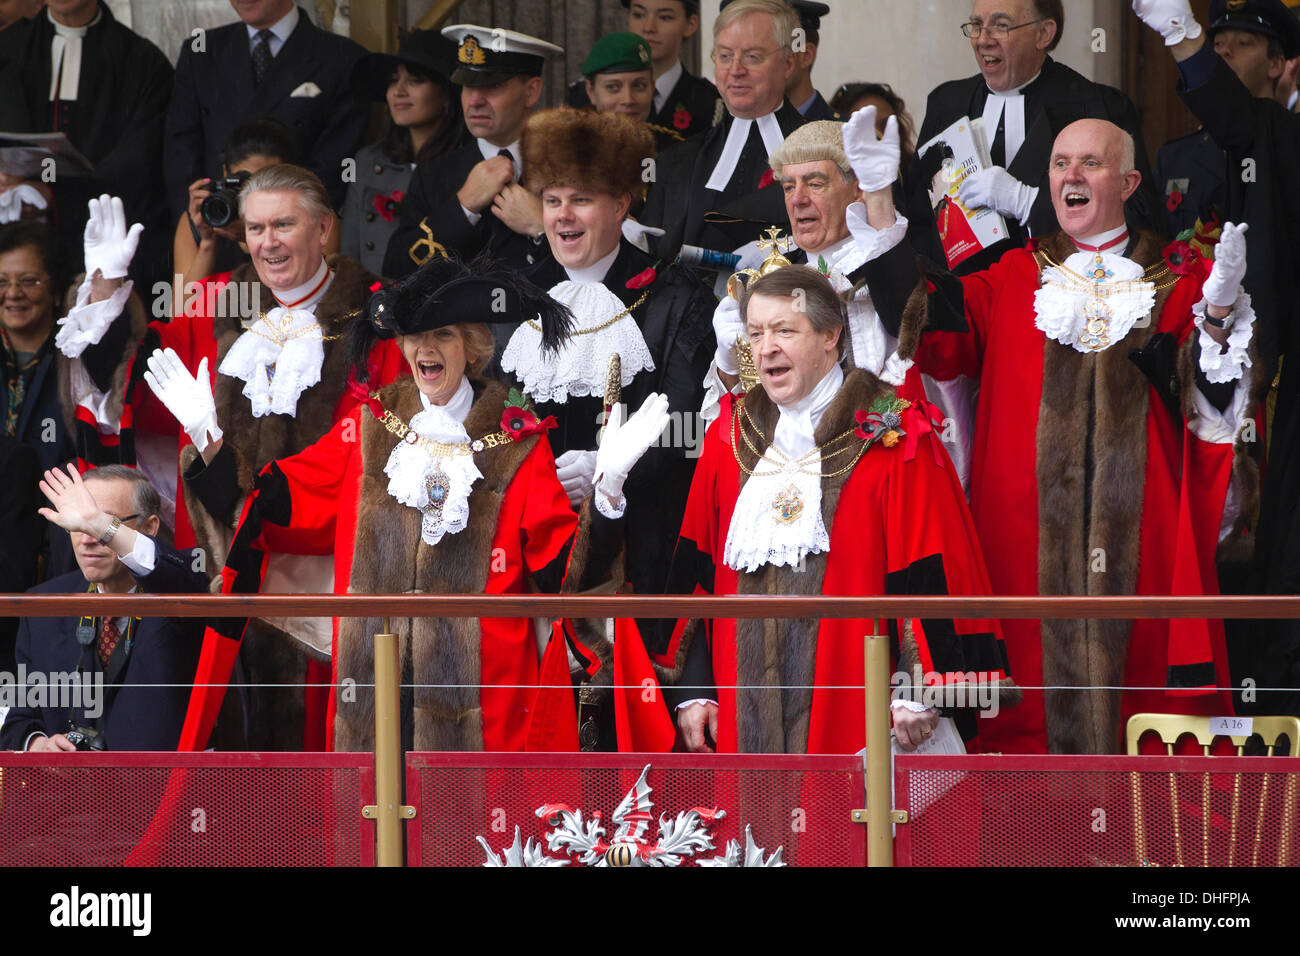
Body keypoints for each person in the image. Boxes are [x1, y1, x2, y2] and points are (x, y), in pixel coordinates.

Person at [862, 118, 1255, 753]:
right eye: (1059, 163)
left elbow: (1213, 410)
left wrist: (1215, 316)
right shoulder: (1014, 275)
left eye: (1089, 164)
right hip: (1019, 546)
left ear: (1127, 182)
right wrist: (882, 208)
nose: (1070, 176)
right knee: (1023, 734)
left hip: (1144, 544)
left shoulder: (1182, 278)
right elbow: (932, 338)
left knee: (1145, 713)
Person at [173, 253, 672, 754]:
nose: (425, 349)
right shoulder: (369, 427)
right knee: (372, 820)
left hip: (481, 702)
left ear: (471, 348)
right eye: (414, 336)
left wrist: (608, 491)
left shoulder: (517, 439)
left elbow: (563, 571)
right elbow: (275, 506)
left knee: (469, 830)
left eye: (443, 335)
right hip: (370, 686)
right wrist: (211, 444)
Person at [642, 262, 1011, 755]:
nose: (766, 347)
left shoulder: (894, 435)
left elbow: (933, 571)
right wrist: (695, 690)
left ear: (831, 336)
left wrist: (919, 689)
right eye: (755, 332)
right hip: (740, 711)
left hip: (862, 713)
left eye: (784, 330)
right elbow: (695, 570)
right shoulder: (726, 437)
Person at [119, 164, 406, 750]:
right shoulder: (216, 302)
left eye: (283, 225)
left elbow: (376, 444)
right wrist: (104, 296)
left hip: (324, 576)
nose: (267, 242)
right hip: (224, 569)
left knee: (324, 763)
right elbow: (139, 397)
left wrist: (246, 486)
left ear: (324, 229)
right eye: (254, 228)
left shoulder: (379, 316)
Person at [1134, 0, 1300, 718]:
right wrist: (1184, 38)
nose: (1230, 53)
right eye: (1222, 43)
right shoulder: (1272, 134)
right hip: (1249, 388)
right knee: (1238, 574)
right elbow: (1234, 115)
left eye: (1244, 43)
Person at [503, 107, 715, 609]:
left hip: (643, 547)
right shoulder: (514, 298)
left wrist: (611, 468)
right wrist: (528, 475)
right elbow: (491, 414)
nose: (562, 215)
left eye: (581, 200)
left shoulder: (676, 299)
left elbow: (690, 427)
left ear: (621, 204)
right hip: (532, 548)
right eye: (552, 201)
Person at [706, 114, 977, 489]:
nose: (798, 199)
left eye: (815, 183)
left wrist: (880, 205)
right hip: (793, 482)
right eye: (788, 187)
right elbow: (733, 425)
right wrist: (728, 360)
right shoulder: (771, 279)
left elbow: (917, 328)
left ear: (857, 189)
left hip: (884, 478)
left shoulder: (899, 264)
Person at [910, 0, 1160, 276]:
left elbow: (1141, 218)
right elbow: (919, 217)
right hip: (964, 300)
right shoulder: (946, 104)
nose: (982, 39)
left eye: (1000, 26)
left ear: (1043, 34)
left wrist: (1028, 203)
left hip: (1060, 294)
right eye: (977, 25)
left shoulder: (1098, 106)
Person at [0, 464, 208, 753]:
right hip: (68, 793)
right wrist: (38, 744)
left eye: (102, 523)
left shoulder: (181, 588)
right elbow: (18, 722)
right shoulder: (42, 604)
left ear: (149, 527)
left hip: (162, 792)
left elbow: (175, 574)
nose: (87, 538)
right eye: (77, 524)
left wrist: (101, 525)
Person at [3, 202, 148, 575]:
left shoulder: (78, 346)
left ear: (55, 288)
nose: (13, 293)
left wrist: (103, 288)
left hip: (68, 529)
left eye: (29, 280)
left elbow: (109, 383)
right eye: (2, 281)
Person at [0, 0, 173, 288]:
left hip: (97, 245)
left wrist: (53, 197)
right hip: (12, 246)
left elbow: (139, 167)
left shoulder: (142, 62)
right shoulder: (7, 48)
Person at [382, 24, 563, 280]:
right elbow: (397, 270)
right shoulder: (435, 172)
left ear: (531, 91)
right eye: (467, 86)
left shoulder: (570, 167)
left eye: (493, 85)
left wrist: (542, 227)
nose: (475, 100)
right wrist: (462, 206)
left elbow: (607, 272)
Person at [162, 0, 368, 222]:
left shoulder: (344, 59)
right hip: (216, 230)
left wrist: (277, 221)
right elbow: (181, 156)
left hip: (294, 234)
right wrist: (201, 220)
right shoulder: (201, 52)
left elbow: (335, 166)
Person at [639, 0, 807, 260]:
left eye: (752, 57)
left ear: (787, 64)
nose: (736, 71)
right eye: (725, 56)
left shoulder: (825, 155)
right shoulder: (675, 163)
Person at [1152, 0, 1300, 240]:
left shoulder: (1289, 139)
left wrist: (1182, 34)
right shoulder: (1173, 157)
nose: (1224, 51)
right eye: (1218, 43)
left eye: (1243, 43)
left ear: (1275, 64)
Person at [342, 29, 466, 275]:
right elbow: (350, 253)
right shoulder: (367, 161)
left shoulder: (469, 164)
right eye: (393, 80)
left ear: (446, 95)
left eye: (414, 80)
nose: (399, 91)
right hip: (373, 300)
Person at [172, 117, 306, 318]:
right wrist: (208, 244)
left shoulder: (308, 217)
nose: (255, 193)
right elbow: (180, 317)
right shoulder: (204, 216)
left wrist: (251, 236)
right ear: (226, 173)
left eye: (267, 181)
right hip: (213, 341)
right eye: (245, 181)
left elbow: (313, 302)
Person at [624, 0, 720, 142]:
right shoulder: (589, 98)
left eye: (665, 17)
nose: (649, 27)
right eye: (639, 15)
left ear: (690, 24)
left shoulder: (711, 105)